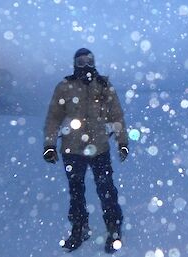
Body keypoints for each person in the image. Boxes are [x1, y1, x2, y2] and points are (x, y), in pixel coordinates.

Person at [43, 48, 129, 253]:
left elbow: (116, 116)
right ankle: (79, 228)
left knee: (106, 189)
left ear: (94, 62)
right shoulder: (65, 86)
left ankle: (114, 228)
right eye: (80, 62)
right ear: (75, 64)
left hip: (99, 148)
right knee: (76, 192)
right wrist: (49, 145)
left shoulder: (104, 86)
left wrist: (122, 142)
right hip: (72, 150)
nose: (85, 66)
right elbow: (53, 117)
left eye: (88, 61)